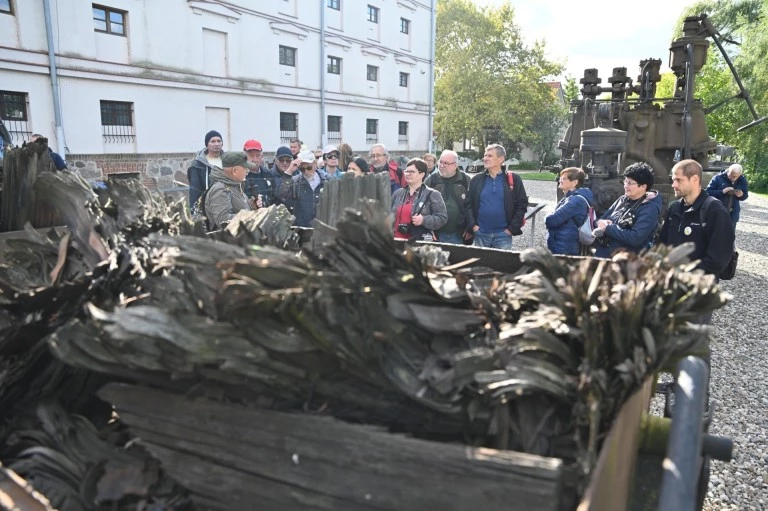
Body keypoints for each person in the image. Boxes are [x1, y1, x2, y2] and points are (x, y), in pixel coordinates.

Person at [658, 159, 735, 277]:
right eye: (673, 180)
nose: (673, 185)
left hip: (698, 286)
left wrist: (684, 272)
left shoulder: (715, 211)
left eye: (678, 180)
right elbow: (662, 242)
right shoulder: (675, 207)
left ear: (694, 179)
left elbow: (718, 260)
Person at [464, 144, 528, 250]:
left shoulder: (513, 179)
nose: (485, 158)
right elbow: (468, 204)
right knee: (481, 266)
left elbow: (522, 205)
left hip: (503, 235)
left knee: (501, 266)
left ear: (501, 159)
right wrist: (474, 227)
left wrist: (510, 229)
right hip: (481, 234)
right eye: (485, 155)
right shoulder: (476, 179)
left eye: (490, 156)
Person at [592, 162, 662, 258]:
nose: (625, 185)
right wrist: (600, 222)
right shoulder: (622, 199)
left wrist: (608, 228)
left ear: (643, 186)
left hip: (625, 263)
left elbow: (635, 238)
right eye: (625, 181)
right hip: (603, 256)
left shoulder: (650, 208)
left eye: (630, 183)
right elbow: (600, 219)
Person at [391, 158, 447, 241]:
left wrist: (423, 220)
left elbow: (442, 218)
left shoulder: (433, 194)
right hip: (396, 241)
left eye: (412, 172)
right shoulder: (398, 193)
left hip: (418, 243)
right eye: (406, 171)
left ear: (422, 174)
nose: (407, 174)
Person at [544, 167, 595, 256]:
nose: (560, 180)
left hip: (564, 248)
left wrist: (547, 215)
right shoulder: (569, 198)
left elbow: (551, 220)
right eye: (561, 178)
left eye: (564, 178)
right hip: (562, 245)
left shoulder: (576, 201)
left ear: (574, 182)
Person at [424, 150, 470, 244]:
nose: (441, 165)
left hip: (460, 234)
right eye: (440, 162)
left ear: (455, 165)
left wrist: (470, 228)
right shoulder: (432, 180)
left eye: (446, 163)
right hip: (436, 234)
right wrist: (429, 230)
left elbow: (473, 205)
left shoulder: (465, 180)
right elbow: (423, 206)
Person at [204, 151, 256, 230]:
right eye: (245, 168)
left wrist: (251, 206)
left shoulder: (234, 185)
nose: (248, 171)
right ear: (235, 171)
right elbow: (223, 221)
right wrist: (251, 215)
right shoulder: (220, 190)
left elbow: (237, 208)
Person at [278, 150, 328, 227]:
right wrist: (289, 171)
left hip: (323, 229)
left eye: (309, 167)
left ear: (315, 164)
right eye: (302, 169)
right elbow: (282, 196)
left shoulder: (327, 180)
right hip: (302, 230)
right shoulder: (295, 182)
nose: (306, 171)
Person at [705, 163, 749, 229]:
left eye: (735, 176)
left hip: (733, 214)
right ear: (728, 171)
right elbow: (708, 193)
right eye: (731, 175)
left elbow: (745, 196)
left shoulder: (742, 180)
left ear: (740, 175)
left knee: (730, 236)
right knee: (715, 235)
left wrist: (741, 195)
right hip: (717, 213)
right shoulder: (717, 178)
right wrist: (722, 191)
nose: (732, 178)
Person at [188, 130, 224, 209]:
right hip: (207, 206)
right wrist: (194, 210)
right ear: (207, 144)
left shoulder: (227, 161)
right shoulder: (198, 164)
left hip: (225, 204)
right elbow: (195, 190)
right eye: (213, 141)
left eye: (219, 141)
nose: (216, 144)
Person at [242, 139, 277, 208]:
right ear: (244, 157)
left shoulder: (268, 174)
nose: (254, 160)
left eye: (258, 156)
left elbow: (274, 198)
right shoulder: (240, 176)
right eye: (251, 156)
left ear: (262, 157)